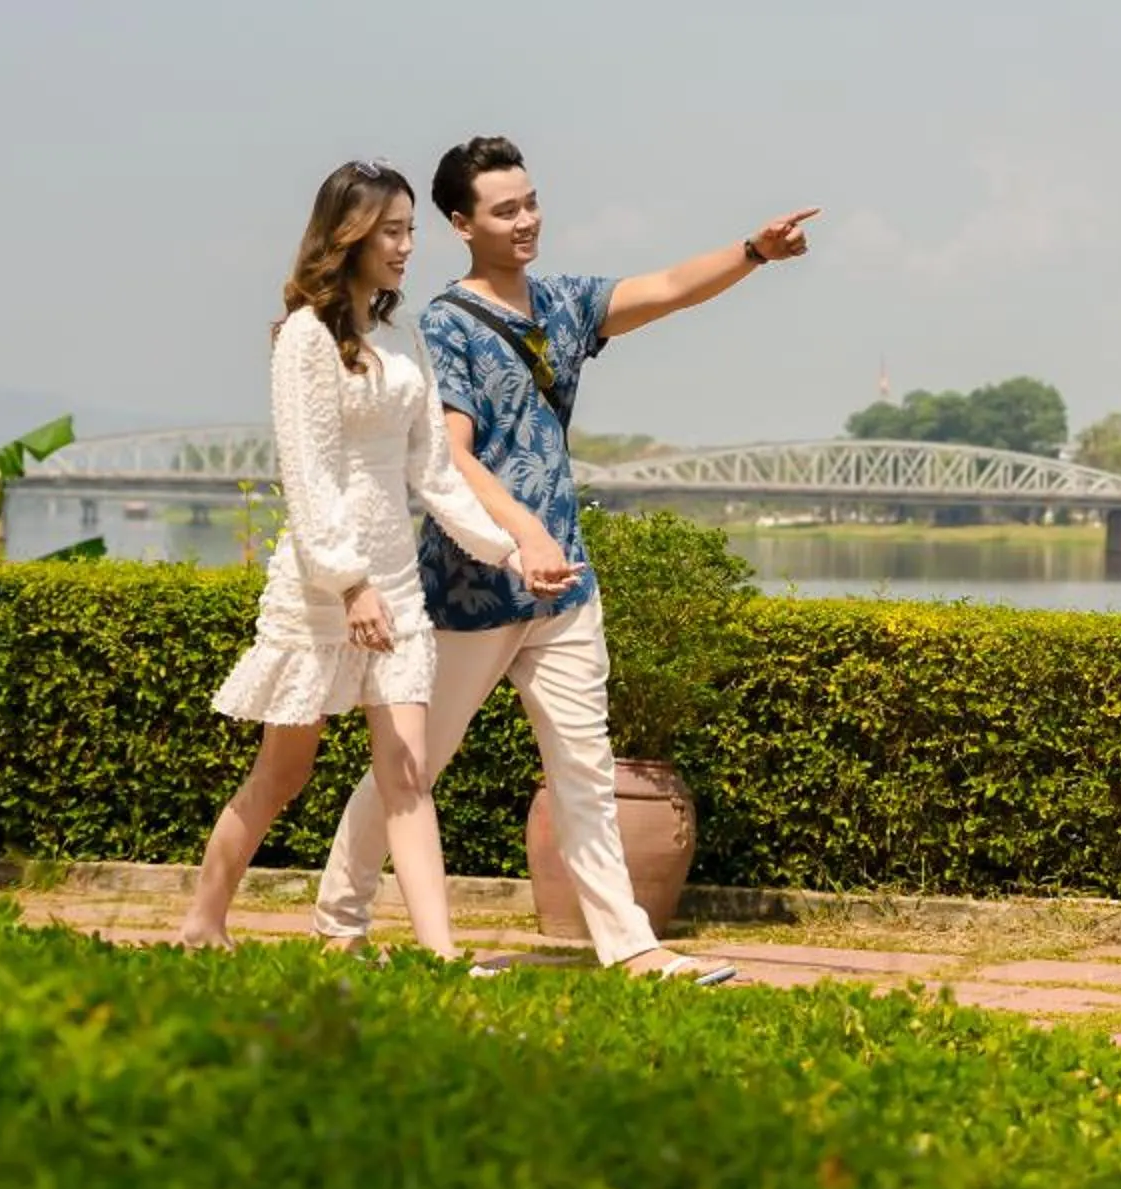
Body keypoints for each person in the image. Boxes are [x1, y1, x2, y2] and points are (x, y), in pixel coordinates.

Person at [312, 134, 819, 983]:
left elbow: (661, 291)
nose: (526, 220)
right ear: (460, 222)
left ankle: (631, 947)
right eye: (505, 209)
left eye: (531, 202)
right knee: (414, 766)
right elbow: (453, 456)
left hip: (566, 587)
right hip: (475, 588)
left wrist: (753, 253)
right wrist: (525, 537)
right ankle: (340, 916)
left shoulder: (562, 305)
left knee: (584, 767)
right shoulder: (444, 324)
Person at [178, 161, 531, 956]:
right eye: (393, 231)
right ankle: (202, 921)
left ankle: (441, 955)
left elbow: (434, 472)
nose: (409, 246)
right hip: (324, 583)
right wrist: (348, 584)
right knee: (284, 774)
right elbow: (307, 476)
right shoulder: (305, 338)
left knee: (407, 775)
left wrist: (508, 552)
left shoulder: (401, 339)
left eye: (410, 229)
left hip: (396, 585)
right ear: (351, 237)